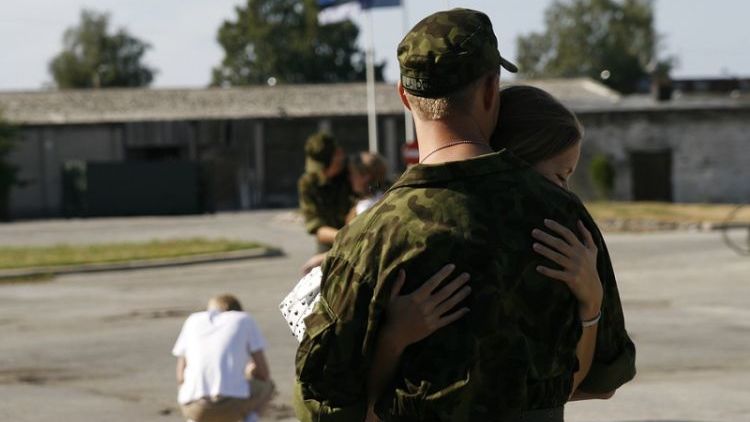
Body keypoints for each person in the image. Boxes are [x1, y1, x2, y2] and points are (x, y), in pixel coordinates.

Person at [294, 8, 634, 422]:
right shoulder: (563, 218)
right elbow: (604, 377)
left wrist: (390, 343)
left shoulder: (368, 237)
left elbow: (325, 405)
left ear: (404, 97)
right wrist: (591, 307)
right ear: (492, 89)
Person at [364, 84, 635, 420]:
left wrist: (591, 303)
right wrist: (393, 337)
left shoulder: (560, 252)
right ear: (514, 163)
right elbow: (359, 406)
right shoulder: (410, 240)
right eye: (559, 176)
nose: (564, 194)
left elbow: (565, 388)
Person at [173, 294, 274, 422]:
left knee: (187, 389)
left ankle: (193, 419)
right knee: (268, 386)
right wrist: (250, 372)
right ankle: (251, 419)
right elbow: (264, 374)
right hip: (231, 406)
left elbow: (180, 377)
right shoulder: (244, 319)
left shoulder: (193, 320)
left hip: (193, 407)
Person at [300, 151, 390, 274]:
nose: (349, 178)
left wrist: (323, 258)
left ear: (365, 177)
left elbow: (362, 246)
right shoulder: (386, 198)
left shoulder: (365, 208)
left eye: (353, 174)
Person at [297, 132, 354, 253]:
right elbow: (316, 226)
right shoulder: (309, 182)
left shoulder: (355, 173)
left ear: (339, 154)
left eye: (324, 167)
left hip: (361, 241)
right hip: (330, 243)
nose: (320, 173)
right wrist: (345, 238)